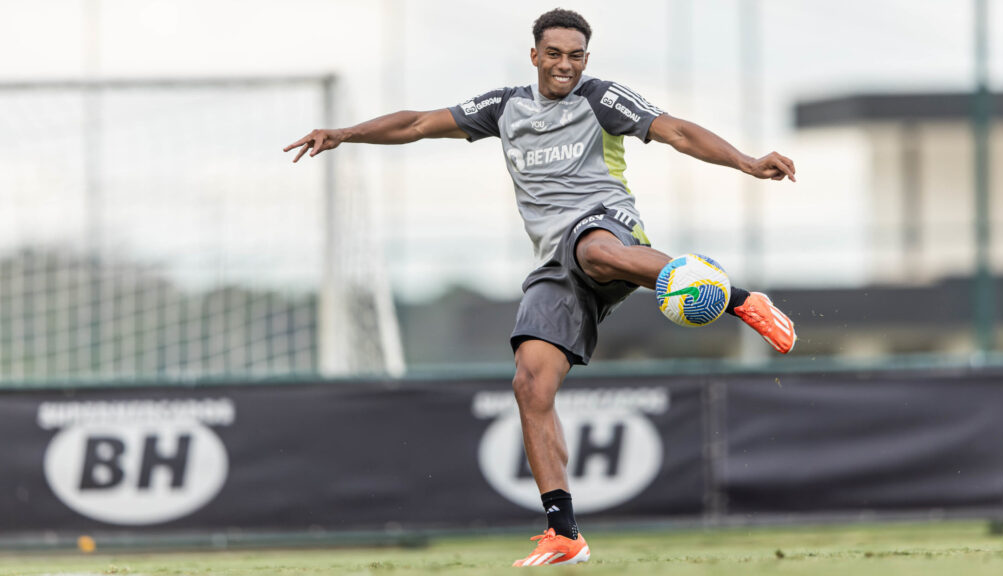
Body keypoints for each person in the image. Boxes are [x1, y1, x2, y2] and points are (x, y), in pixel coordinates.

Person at [285, 8, 797, 567]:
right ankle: (564, 532)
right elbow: (415, 124)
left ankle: (742, 299)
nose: (564, 65)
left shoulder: (600, 98)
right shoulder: (505, 108)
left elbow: (675, 131)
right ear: (535, 56)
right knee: (530, 383)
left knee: (596, 249)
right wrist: (344, 134)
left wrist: (746, 162)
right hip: (553, 265)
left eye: (575, 56)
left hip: (609, 226)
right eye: (553, 54)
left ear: (586, 59)